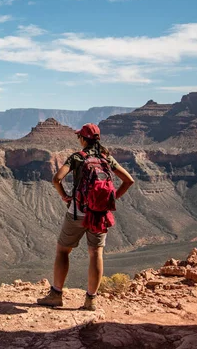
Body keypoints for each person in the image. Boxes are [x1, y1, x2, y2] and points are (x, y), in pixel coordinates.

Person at [37, 123, 134, 311]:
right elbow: (129, 180)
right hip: (99, 214)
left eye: (79, 137)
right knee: (96, 254)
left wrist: (64, 196)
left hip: (78, 212)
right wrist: (111, 200)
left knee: (63, 251)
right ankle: (91, 300)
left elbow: (56, 179)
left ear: (83, 139)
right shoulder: (107, 158)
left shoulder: (77, 158)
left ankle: (56, 294)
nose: (78, 139)